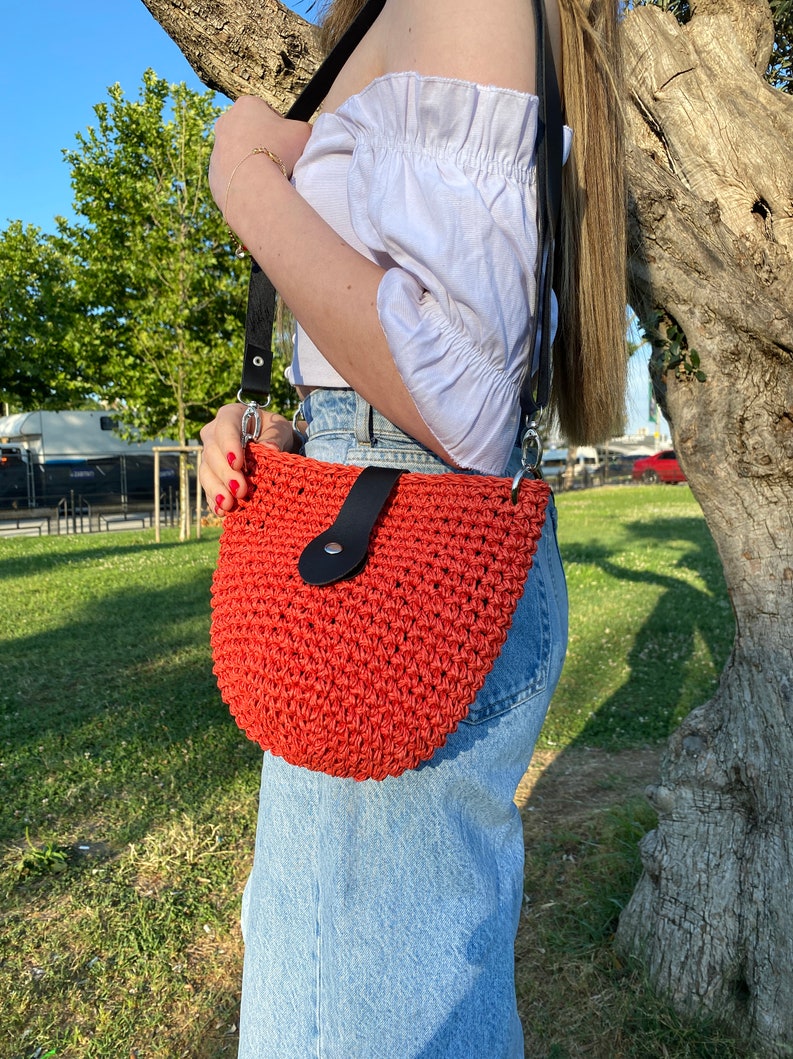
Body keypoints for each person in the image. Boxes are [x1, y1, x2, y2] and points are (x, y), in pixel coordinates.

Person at [200, 0, 626, 1054]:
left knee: (347, 1018)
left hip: (395, 574)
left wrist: (245, 180)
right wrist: (288, 418)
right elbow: (426, 357)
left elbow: (462, 401)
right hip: (385, 535)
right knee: (363, 989)